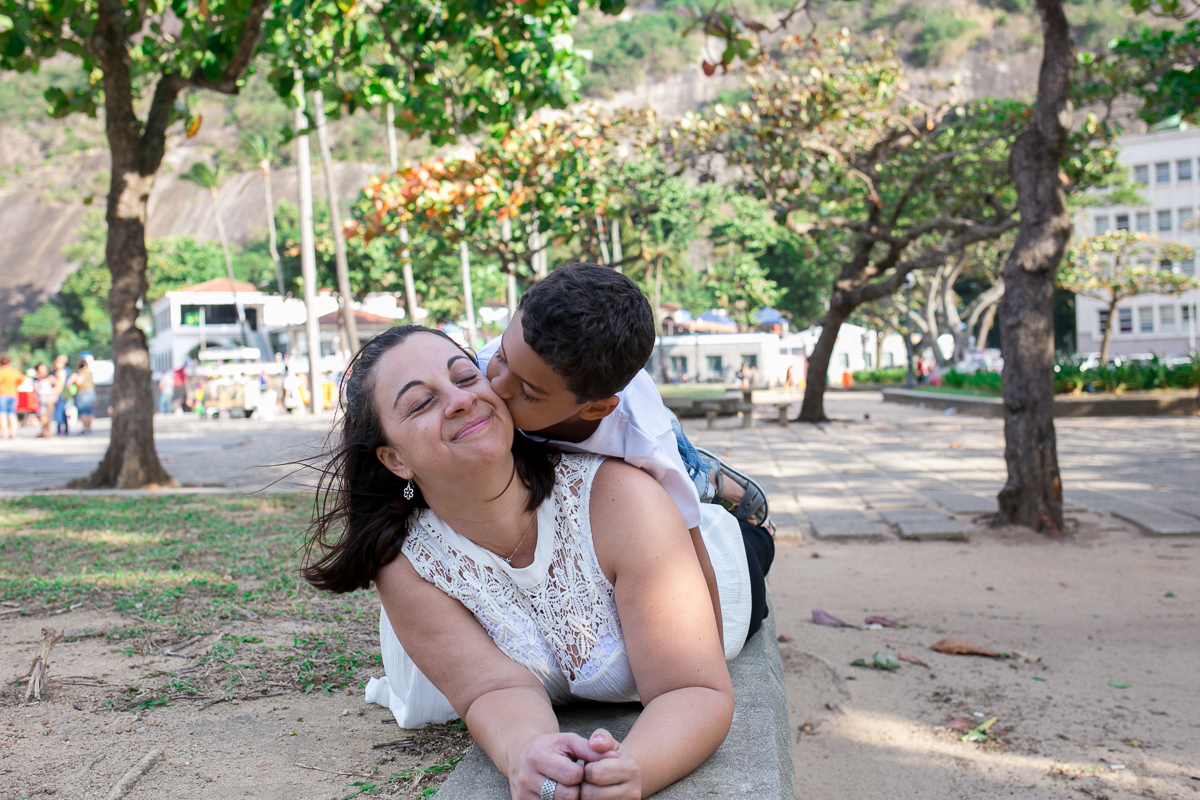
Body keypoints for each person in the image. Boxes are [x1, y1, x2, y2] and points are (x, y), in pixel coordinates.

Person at [304, 326, 772, 800]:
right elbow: (493, 690)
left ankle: (709, 481)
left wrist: (638, 768)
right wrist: (527, 751)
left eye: (466, 378)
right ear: (395, 459)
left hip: (720, 568)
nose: (461, 401)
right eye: (421, 403)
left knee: (754, 541)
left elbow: (690, 687)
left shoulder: (622, 499)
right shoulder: (407, 563)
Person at [69, 359, 96, 435]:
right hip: (91, 392)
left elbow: (79, 382)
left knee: (83, 411)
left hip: (83, 392)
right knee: (89, 411)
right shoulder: (89, 372)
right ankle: (89, 428)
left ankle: (85, 428)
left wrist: (73, 379)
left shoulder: (82, 372)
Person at [0, 355, 23, 439]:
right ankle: (13, 433)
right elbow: (22, 379)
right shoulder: (14, 371)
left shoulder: (1, 371)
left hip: (2, 394)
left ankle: (4, 433)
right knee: (12, 413)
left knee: (2, 414)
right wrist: (15, 385)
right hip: (13, 394)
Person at [32, 364, 55, 438]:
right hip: (40, 400)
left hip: (48, 400)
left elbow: (58, 385)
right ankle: (43, 431)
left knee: (45, 417)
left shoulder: (50, 378)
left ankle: (47, 432)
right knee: (42, 416)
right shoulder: (36, 380)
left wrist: (54, 393)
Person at [51, 354, 70, 435]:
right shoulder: (64, 370)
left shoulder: (61, 371)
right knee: (62, 412)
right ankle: (65, 430)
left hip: (60, 393)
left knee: (59, 412)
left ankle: (60, 430)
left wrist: (55, 393)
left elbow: (60, 384)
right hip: (62, 393)